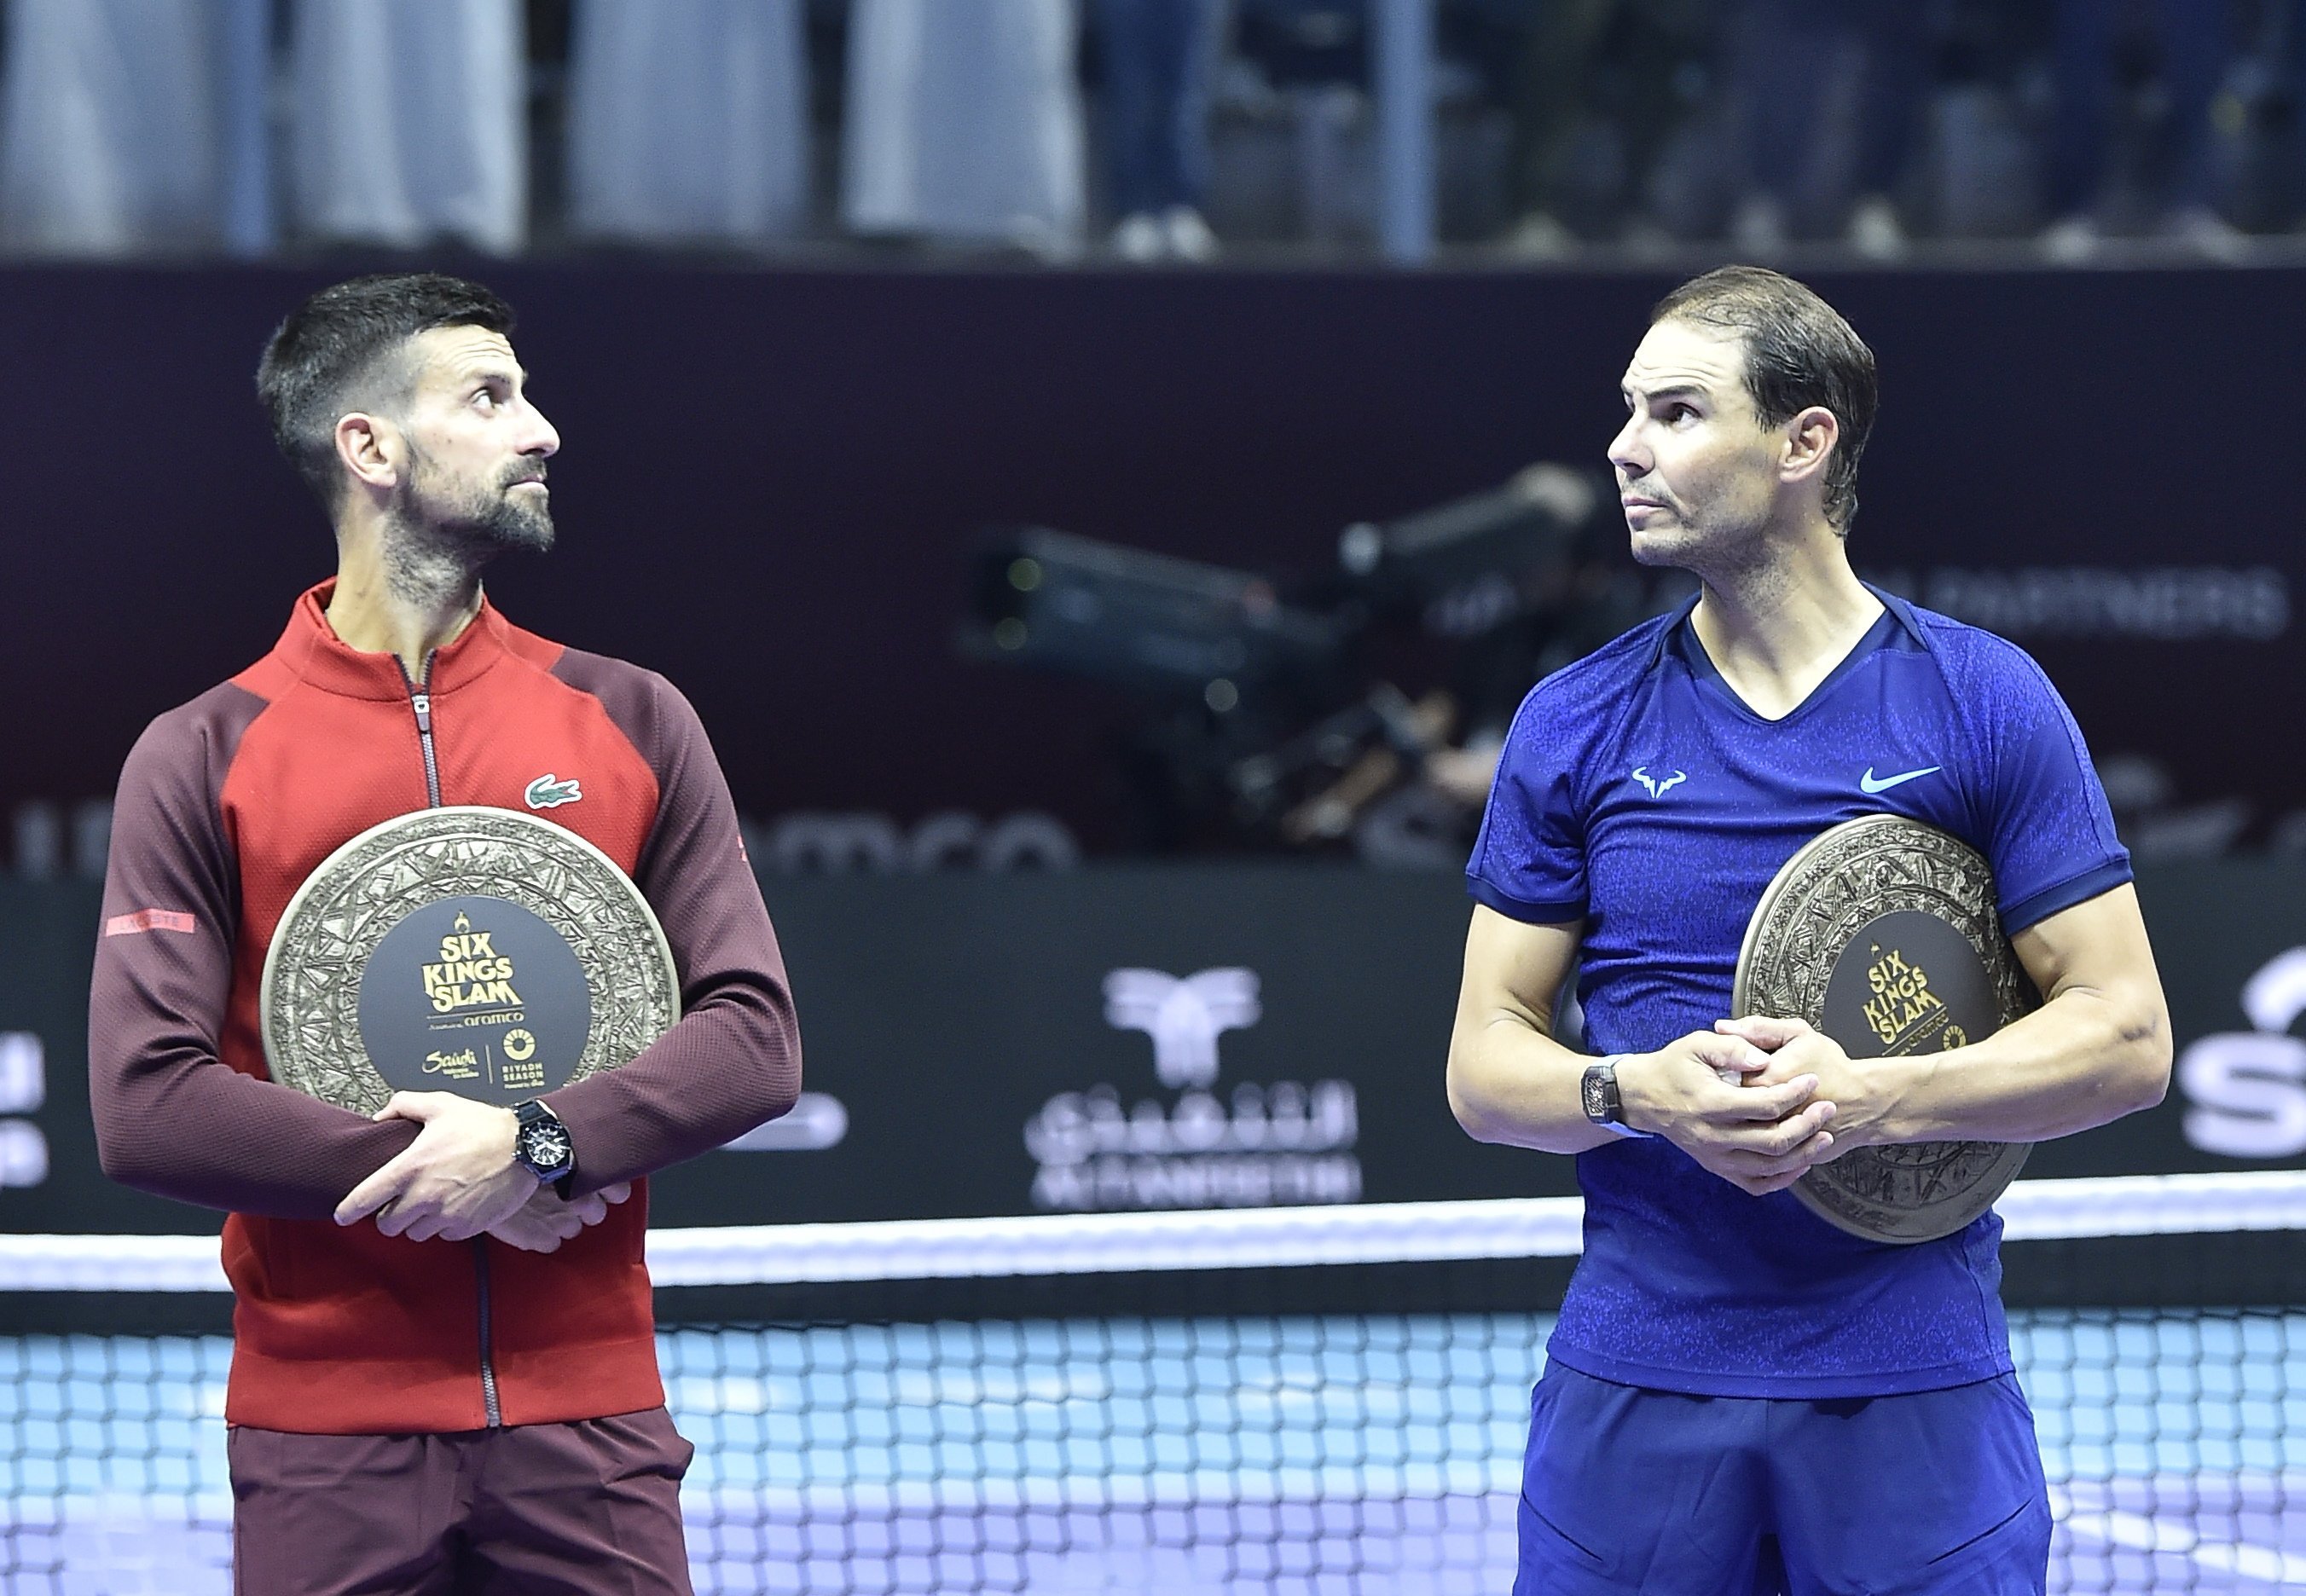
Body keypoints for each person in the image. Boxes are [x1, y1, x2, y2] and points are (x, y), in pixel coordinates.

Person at [1446, 264, 2170, 1593]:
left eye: (1675, 412)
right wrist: (1634, 1089)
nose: (1623, 447)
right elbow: (1484, 1071)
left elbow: (2126, 1037)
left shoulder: (1982, 701)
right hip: (1638, 1387)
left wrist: (1872, 1101)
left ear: (1804, 441)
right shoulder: (1575, 719)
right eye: (1627, 411)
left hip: (1917, 1387)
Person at [88, 273, 801, 1592]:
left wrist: (535, 1146)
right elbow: (149, 1105)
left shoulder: (632, 718)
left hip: (590, 1424)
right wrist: (465, 1171)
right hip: (324, 1436)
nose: (543, 430)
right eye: (490, 396)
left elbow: (752, 1041)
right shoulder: (203, 754)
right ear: (369, 448)